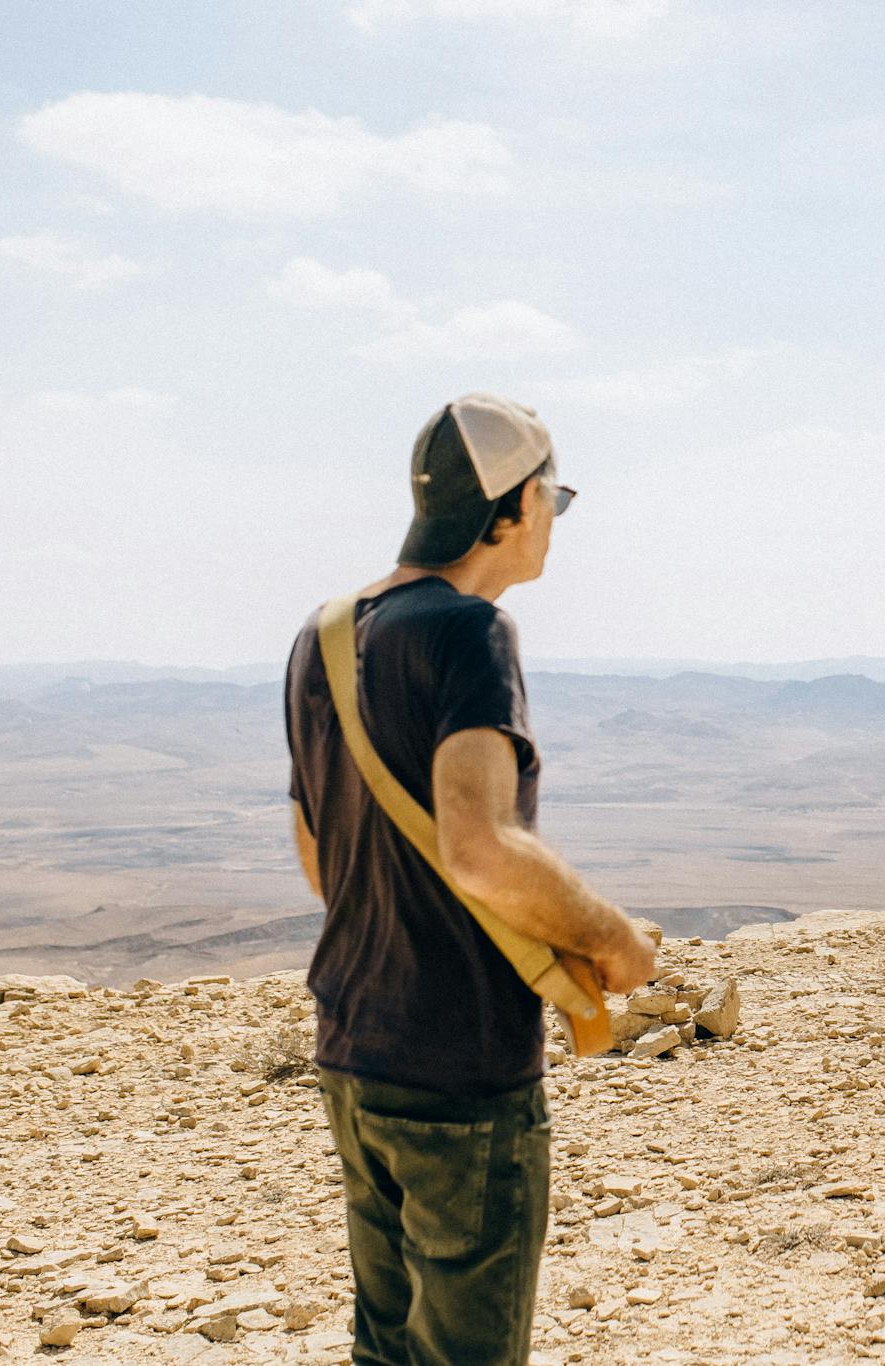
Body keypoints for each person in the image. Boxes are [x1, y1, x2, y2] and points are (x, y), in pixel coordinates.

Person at [284, 393, 657, 1366]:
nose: (554, 521)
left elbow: (317, 850)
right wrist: (615, 941)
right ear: (511, 507)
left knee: (386, 1342)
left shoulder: (324, 634)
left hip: (353, 1044)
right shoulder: (469, 633)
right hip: (459, 1065)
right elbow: (481, 847)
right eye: (555, 499)